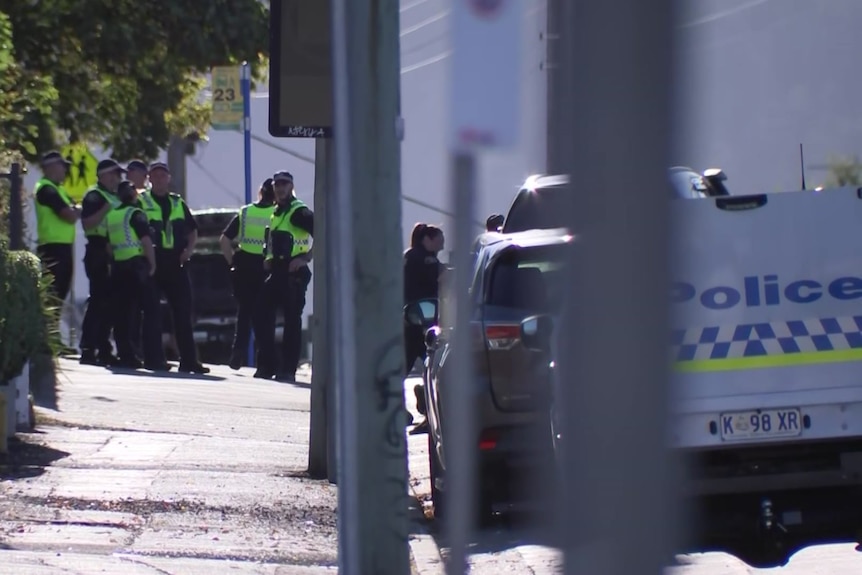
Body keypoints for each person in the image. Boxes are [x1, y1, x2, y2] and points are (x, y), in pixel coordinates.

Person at [138, 162, 209, 374]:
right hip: (152, 261)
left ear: (168, 178)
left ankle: (188, 361)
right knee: (152, 313)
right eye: (155, 176)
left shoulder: (177, 203)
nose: (159, 180)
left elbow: (192, 230)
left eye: (163, 176)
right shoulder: (142, 201)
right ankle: (153, 359)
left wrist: (189, 250)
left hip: (176, 262)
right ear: (150, 179)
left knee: (183, 313)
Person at [253, 170, 314, 381]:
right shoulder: (277, 211)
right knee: (261, 313)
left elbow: (323, 232)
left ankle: (288, 370)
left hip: (294, 272)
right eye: (277, 185)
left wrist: (305, 258)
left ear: (291, 187)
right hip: (278, 270)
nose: (280, 188)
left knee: (291, 323)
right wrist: (268, 258)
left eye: (285, 185)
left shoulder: (299, 211)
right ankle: (267, 365)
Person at [107, 180, 166, 370]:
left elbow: (108, 245)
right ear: (133, 195)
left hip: (118, 267)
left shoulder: (113, 215)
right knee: (151, 312)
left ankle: (127, 356)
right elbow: (146, 240)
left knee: (122, 315)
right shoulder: (136, 213)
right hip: (136, 267)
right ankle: (154, 359)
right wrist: (153, 263)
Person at [219, 178, 276, 370]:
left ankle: (238, 353)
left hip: (243, 265)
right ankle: (265, 361)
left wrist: (231, 262)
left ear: (260, 192)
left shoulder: (245, 212)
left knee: (244, 312)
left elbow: (224, 240)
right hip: (264, 267)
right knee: (263, 315)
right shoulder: (277, 214)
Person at [78, 159, 125, 366]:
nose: (118, 178)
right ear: (104, 175)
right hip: (98, 250)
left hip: (115, 253)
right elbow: (87, 223)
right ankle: (88, 347)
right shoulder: (94, 196)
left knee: (112, 303)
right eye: (115, 174)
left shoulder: (116, 197)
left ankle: (104, 348)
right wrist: (105, 209)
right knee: (98, 301)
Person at [403, 223, 446, 434]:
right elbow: (440, 278)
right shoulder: (424, 259)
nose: (443, 243)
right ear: (427, 239)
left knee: (404, 365)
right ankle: (427, 405)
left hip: (410, 320)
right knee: (433, 363)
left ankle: (421, 402)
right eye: (439, 238)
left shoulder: (410, 256)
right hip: (422, 322)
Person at [33, 151, 80, 304]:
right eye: (62, 166)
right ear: (51, 167)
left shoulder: (59, 190)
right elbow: (69, 215)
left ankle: (51, 327)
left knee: (59, 296)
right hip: (52, 249)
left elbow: (74, 209)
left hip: (63, 248)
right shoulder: (46, 189)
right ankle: (46, 328)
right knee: (52, 296)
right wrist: (75, 211)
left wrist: (75, 210)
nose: (65, 171)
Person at [125, 159, 150, 360]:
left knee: (137, 310)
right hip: (133, 261)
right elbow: (145, 237)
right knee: (131, 310)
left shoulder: (144, 199)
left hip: (129, 260)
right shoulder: (129, 202)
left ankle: (134, 351)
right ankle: (132, 351)